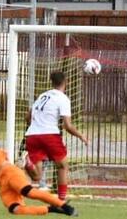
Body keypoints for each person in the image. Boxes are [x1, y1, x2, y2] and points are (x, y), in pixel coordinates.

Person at [24, 70, 90, 202]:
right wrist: (81, 136)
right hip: (49, 135)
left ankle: (28, 163)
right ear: (66, 82)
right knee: (63, 166)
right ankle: (61, 200)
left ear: (52, 82)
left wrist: (37, 126)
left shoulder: (42, 96)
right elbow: (67, 126)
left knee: (37, 177)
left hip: (32, 135)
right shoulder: (63, 98)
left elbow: (28, 117)